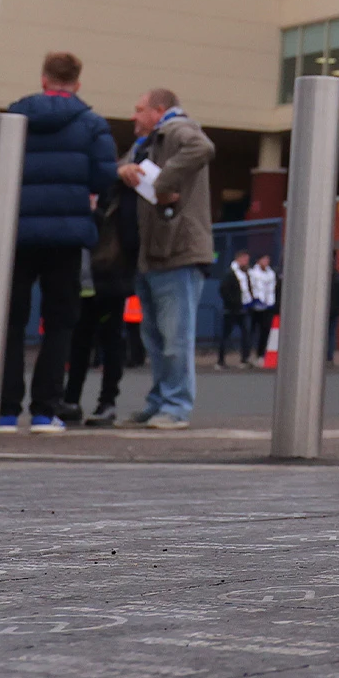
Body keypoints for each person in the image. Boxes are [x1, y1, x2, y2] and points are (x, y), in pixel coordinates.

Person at [0, 52, 121, 434]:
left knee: (11, 322)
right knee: (60, 322)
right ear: (78, 83)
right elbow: (104, 178)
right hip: (67, 235)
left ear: (43, 78)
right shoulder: (92, 124)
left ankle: (3, 411)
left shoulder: (14, 117)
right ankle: (44, 410)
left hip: (16, 233)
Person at [120, 87, 214, 430]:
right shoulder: (148, 142)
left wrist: (164, 181)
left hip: (177, 251)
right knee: (158, 338)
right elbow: (123, 165)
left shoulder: (175, 129)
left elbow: (202, 147)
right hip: (156, 252)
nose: (135, 116)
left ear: (159, 110)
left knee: (174, 337)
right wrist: (124, 171)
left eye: (139, 109)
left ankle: (174, 406)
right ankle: (161, 401)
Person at [64, 119, 144, 427]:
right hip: (85, 272)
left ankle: (106, 401)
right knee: (80, 339)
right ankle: (71, 400)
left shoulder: (119, 187)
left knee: (109, 339)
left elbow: (126, 228)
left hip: (110, 271)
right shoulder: (84, 183)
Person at [243, 252, 279, 364]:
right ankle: (247, 355)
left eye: (268, 259)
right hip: (254, 307)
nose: (266, 261)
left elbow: (272, 290)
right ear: (258, 261)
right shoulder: (252, 273)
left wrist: (270, 303)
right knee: (250, 332)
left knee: (265, 332)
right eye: (264, 259)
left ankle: (260, 355)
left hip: (267, 307)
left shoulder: (271, 274)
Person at [217, 254, 249, 368]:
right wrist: (232, 302)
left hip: (242, 309)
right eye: (244, 259)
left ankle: (244, 359)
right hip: (230, 310)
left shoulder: (246, 274)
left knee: (245, 333)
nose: (246, 262)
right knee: (225, 335)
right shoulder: (230, 274)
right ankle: (220, 361)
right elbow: (223, 289)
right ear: (238, 259)